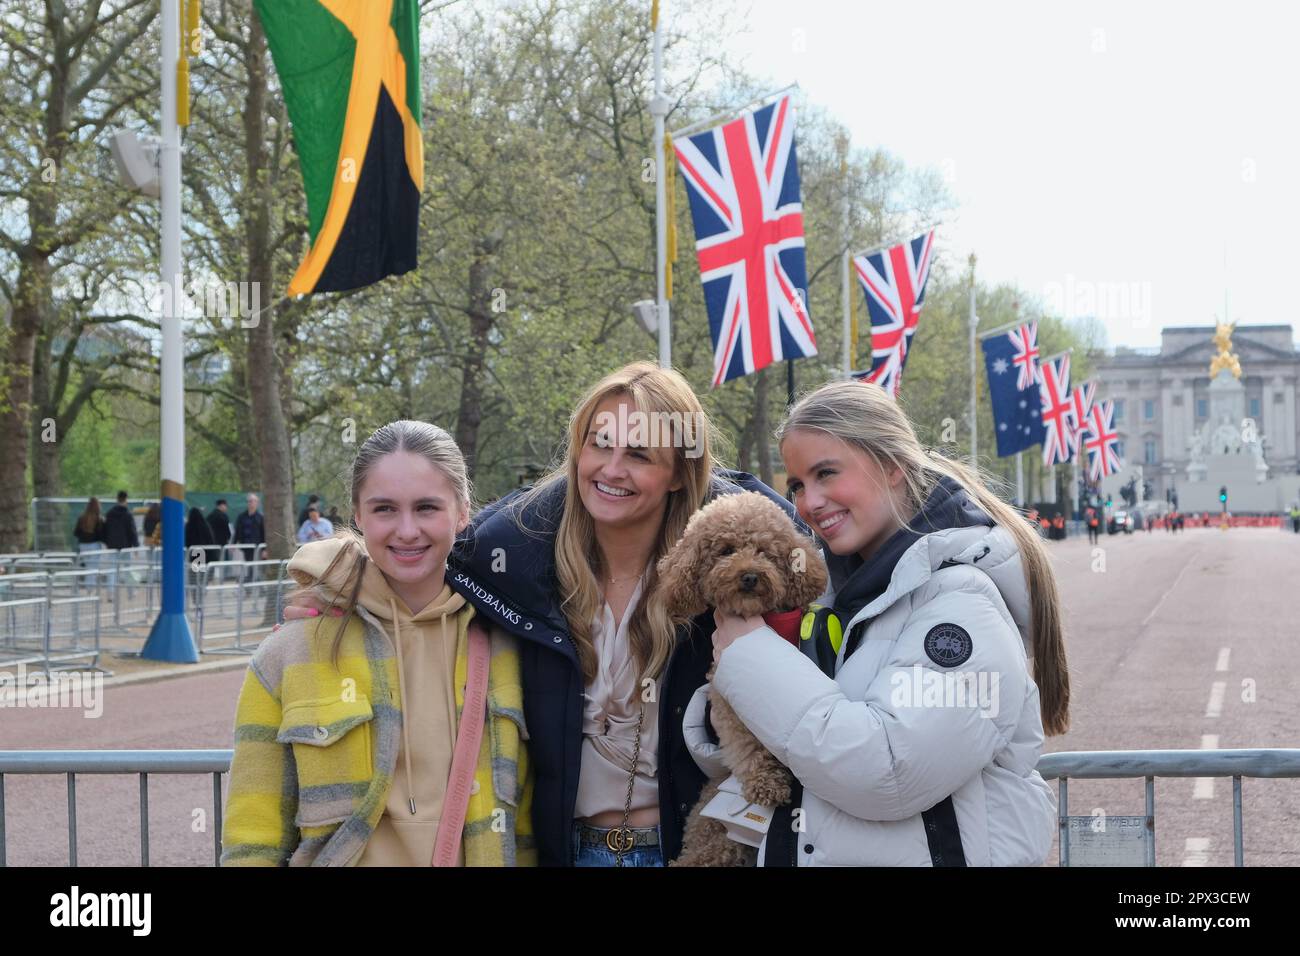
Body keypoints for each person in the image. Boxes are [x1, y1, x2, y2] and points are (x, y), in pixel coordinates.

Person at [283, 362, 805, 866]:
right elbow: (417, 547)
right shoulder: (512, 552)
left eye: (640, 455)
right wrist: (338, 577)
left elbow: (820, 554)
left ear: (677, 473)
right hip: (560, 850)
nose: (612, 469)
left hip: (692, 848)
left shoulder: (726, 558)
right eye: (599, 444)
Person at [700, 379, 1069, 866]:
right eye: (797, 485)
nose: (808, 503)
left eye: (826, 473)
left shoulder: (961, 606)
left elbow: (887, 771)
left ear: (892, 466)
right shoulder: (845, 596)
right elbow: (797, 746)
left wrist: (747, 657)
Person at [222, 420, 534, 866]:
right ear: (357, 514)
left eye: (427, 507)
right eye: (385, 508)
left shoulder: (512, 645)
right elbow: (252, 839)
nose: (407, 531)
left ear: (464, 512)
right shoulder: (289, 653)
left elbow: (526, 832)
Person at [73, 497, 106, 583]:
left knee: (88, 566)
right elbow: (101, 534)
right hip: (94, 545)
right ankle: (90, 588)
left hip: (83, 545)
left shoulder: (82, 518)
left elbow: (76, 532)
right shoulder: (99, 519)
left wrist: (84, 536)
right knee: (93, 566)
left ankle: (88, 587)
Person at [232, 493, 265, 580]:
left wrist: (265, 549)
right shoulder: (241, 516)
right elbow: (237, 531)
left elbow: (263, 533)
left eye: (253, 501)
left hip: (257, 547)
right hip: (245, 546)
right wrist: (233, 544)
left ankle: (257, 586)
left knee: (255, 567)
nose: (251, 503)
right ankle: (250, 586)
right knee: (248, 566)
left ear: (257, 503)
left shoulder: (260, 517)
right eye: (249, 501)